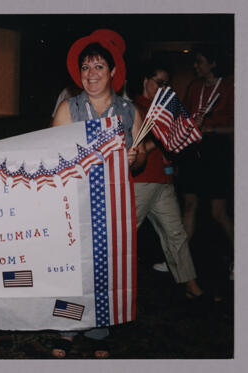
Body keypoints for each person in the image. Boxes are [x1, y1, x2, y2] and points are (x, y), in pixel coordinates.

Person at [51, 29, 146, 359]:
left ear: (113, 72)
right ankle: (67, 328)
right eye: (86, 68)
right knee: (71, 266)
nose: (91, 74)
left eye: (98, 67)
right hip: (75, 202)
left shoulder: (128, 112)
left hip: (111, 204)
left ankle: (97, 329)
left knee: (104, 266)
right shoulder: (69, 109)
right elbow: (52, 155)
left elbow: (142, 155)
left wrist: (136, 158)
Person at [132, 61, 204, 299]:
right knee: (123, 235)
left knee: (176, 234)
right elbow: (134, 150)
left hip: (163, 180)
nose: (162, 88)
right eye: (158, 82)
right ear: (145, 80)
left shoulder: (163, 109)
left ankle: (190, 284)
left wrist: (188, 129)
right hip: (141, 180)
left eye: (166, 85)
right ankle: (103, 286)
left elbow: (175, 145)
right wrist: (164, 140)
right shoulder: (133, 108)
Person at [176, 47, 234, 291]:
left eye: (199, 61)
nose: (196, 67)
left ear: (213, 62)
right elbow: (186, 117)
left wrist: (209, 130)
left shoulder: (230, 87)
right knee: (189, 205)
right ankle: (180, 263)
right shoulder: (194, 87)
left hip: (216, 151)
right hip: (194, 150)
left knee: (217, 212)